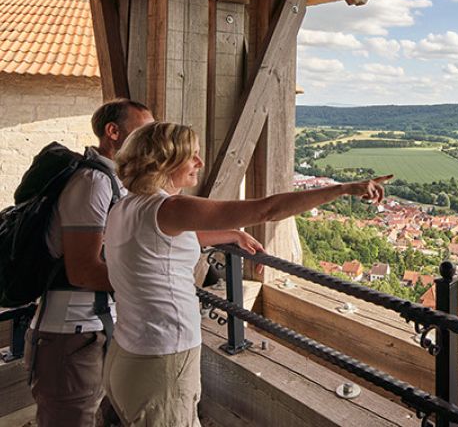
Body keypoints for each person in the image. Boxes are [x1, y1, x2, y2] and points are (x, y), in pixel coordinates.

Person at [103, 121, 391, 426]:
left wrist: (231, 234)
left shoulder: (127, 206)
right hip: (161, 358)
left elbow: (161, 243)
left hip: (127, 353)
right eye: (191, 156)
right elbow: (266, 210)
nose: (200, 162)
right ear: (163, 162)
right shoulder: (169, 207)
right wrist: (344, 188)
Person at [24, 99, 154, 427]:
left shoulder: (113, 183)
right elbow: (82, 271)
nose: (150, 141)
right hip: (71, 336)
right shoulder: (92, 183)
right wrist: (153, 281)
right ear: (113, 132)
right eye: (144, 131)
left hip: (92, 330)